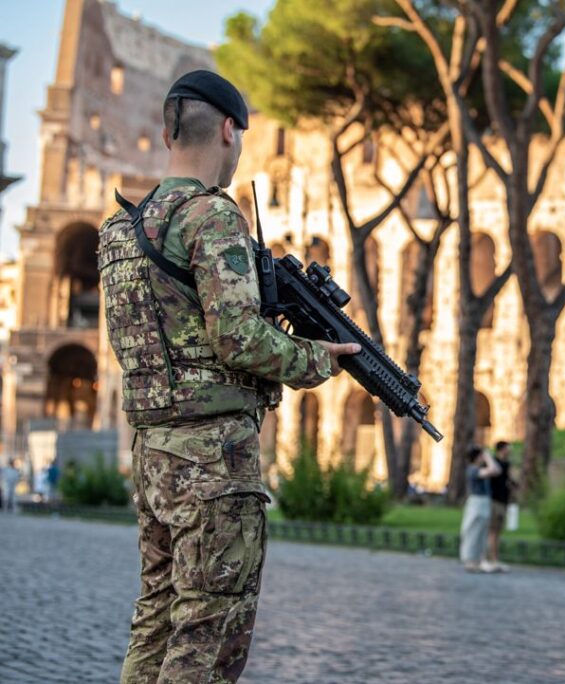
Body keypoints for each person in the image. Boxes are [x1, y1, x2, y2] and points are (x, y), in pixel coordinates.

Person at [98, 69, 360, 683]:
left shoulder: (120, 230)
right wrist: (318, 358)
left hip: (152, 450)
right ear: (227, 130)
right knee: (209, 632)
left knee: (157, 617)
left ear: (167, 131)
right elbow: (239, 339)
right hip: (214, 460)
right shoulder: (212, 218)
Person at [459, 446, 501, 572]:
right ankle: (469, 560)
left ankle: (478, 560)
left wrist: (487, 458)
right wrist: (488, 457)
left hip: (483, 501)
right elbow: (493, 469)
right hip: (476, 502)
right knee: (473, 530)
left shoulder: (480, 469)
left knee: (482, 531)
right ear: (478, 457)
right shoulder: (473, 470)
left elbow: (497, 470)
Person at [484, 440, 517, 573]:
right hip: (494, 500)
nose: (510, 450)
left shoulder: (506, 464)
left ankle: (494, 558)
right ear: (502, 449)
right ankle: (491, 558)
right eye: (508, 448)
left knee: (498, 532)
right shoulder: (493, 462)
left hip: (503, 501)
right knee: (492, 531)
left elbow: (507, 479)